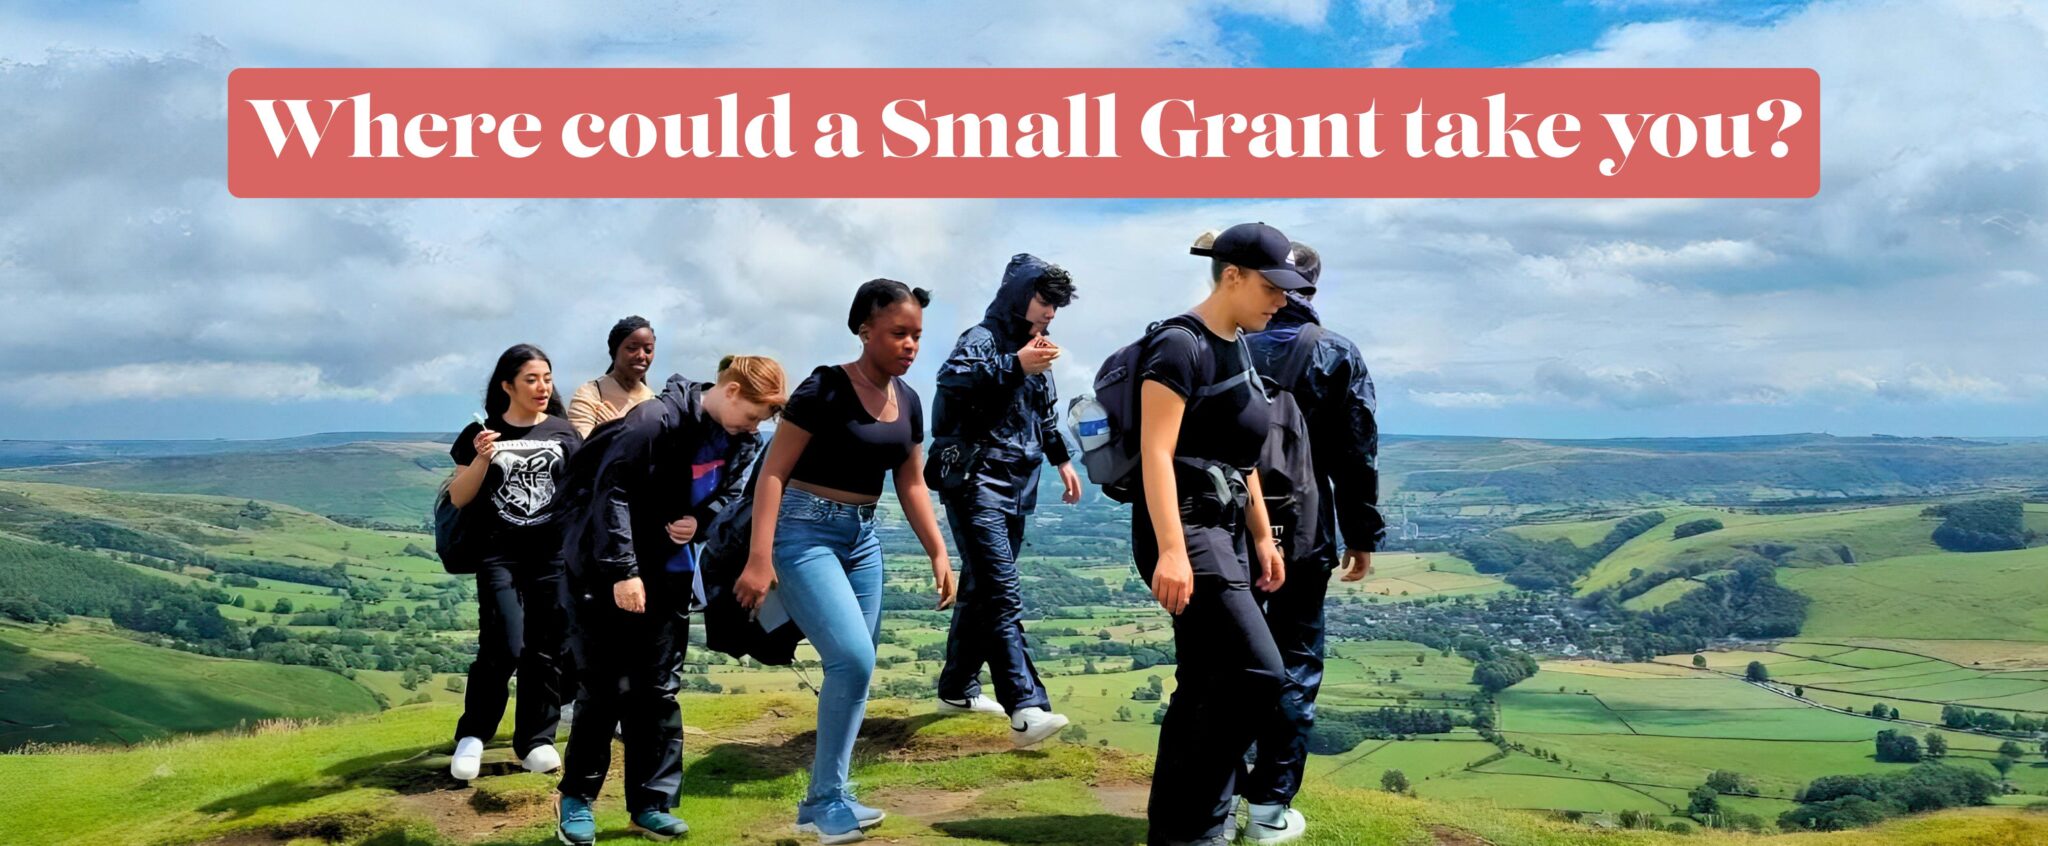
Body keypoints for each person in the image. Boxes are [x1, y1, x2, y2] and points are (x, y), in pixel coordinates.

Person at [736, 279, 958, 845]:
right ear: (865, 329)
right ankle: (827, 800)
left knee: (854, 669)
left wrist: (939, 550)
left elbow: (910, 482)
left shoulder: (907, 401)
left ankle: (824, 797)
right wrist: (760, 559)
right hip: (803, 532)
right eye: (898, 334)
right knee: (853, 659)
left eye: (916, 336)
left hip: (863, 539)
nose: (910, 345)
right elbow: (773, 473)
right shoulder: (825, 388)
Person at [552, 356, 786, 845]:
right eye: (755, 413)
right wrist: (623, 572)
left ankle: (650, 805)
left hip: (670, 572)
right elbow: (609, 494)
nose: (757, 425)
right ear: (732, 390)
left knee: (657, 690)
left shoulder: (744, 440)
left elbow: (732, 495)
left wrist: (700, 520)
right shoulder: (653, 421)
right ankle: (576, 799)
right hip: (603, 568)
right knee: (603, 690)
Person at [1132, 222, 1310, 846]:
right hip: (1184, 526)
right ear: (1231, 275)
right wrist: (1174, 551)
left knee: (1205, 680)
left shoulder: (1237, 343)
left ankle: (1183, 829)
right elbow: (1157, 453)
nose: (1281, 300)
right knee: (1259, 675)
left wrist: (1264, 537)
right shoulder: (1179, 346)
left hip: (1226, 525)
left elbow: (1240, 457)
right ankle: (1198, 824)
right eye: (1270, 286)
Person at [1238, 241, 1385, 844]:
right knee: (1295, 665)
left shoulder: (1225, 341)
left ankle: (1216, 798)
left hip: (1225, 529)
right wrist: (1363, 534)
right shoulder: (1334, 353)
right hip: (1304, 531)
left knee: (1224, 664)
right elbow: (1357, 455)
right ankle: (1270, 811)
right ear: (1313, 291)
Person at [927, 253, 1080, 746]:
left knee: (981, 587)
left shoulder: (1034, 347)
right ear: (1020, 294)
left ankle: (957, 688)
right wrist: (1015, 365)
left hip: (1018, 482)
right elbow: (953, 381)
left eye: (1056, 305)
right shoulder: (982, 338)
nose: (1050, 312)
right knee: (1001, 591)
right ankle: (1026, 706)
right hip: (976, 480)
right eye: (1044, 300)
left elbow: (1045, 412)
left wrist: (1062, 459)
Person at [446, 344, 581, 783]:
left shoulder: (563, 433)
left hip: (552, 554)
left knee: (548, 648)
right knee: (504, 644)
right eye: (531, 379)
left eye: (546, 378)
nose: (542, 387)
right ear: (507, 385)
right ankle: (473, 735)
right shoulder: (480, 433)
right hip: (498, 554)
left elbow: (580, 493)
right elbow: (459, 497)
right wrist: (483, 457)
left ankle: (536, 740)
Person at [567, 316, 658, 437]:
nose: (641, 356)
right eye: (632, 348)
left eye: (648, 350)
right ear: (615, 350)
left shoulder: (653, 401)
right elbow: (583, 449)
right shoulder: (590, 394)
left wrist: (617, 429)